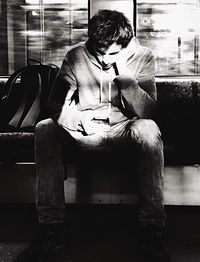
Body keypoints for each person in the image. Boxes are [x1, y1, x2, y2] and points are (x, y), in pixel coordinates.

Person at [15, 9, 169, 262]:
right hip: (81, 132)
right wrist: (78, 120)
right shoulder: (76, 56)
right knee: (45, 128)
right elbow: (55, 106)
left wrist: (125, 77)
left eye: (114, 52)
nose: (106, 58)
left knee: (149, 129)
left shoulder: (144, 56)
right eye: (100, 52)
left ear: (126, 43)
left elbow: (147, 111)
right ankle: (51, 229)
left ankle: (152, 230)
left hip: (122, 131)